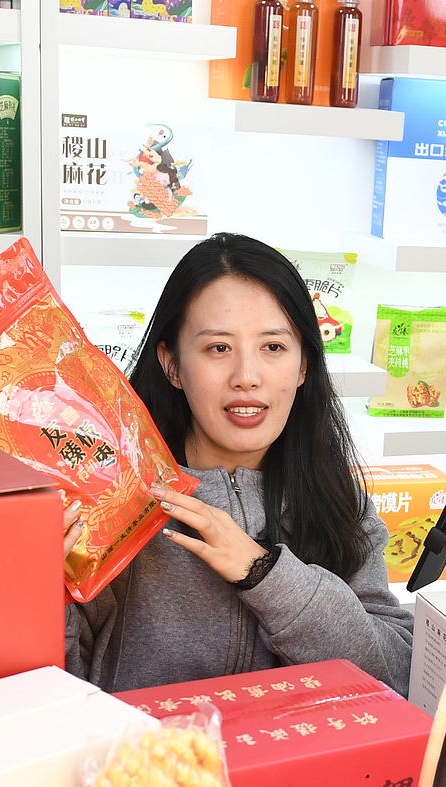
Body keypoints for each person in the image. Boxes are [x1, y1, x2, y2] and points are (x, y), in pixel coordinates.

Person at [64, 234, 412, 694]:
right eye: (218, 349)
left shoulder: (342, 507)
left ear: (304, 364)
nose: (247, 377)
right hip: (146, 764)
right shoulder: (110, 504)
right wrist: (36, 589)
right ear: (171, 365)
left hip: (301, 761)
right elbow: (49, 690)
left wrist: (264, 573)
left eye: (273, 347)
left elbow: (397, 672)